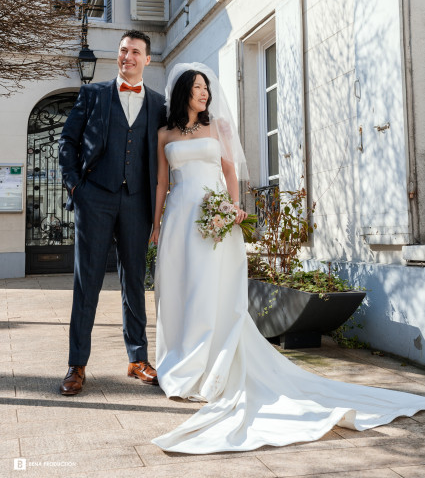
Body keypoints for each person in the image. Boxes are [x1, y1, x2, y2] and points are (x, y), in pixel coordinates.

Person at [150, 61, 425, 454]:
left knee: (210, 292)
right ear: (182, 92)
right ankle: (180, 363)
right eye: (197, 87)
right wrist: (156, 224)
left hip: (214, 220)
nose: (204, 93)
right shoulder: (164, 134)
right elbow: (162, 181)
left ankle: (209, 367)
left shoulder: (217, 128)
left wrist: (232, 209)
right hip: (179, 221)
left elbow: (230, 173)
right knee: (180, 292)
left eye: (206, 87)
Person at [58, 30, 166, 396]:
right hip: (95, 198)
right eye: (123, 50)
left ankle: (138, 358)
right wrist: (76, 188)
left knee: (134, 281)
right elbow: (67, 142)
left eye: (135, 51)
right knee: (86, 283)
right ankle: (77, 364)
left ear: (147, 59)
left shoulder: (159, 103)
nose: (128, 56)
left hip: (138, 203)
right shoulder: (93, 94)